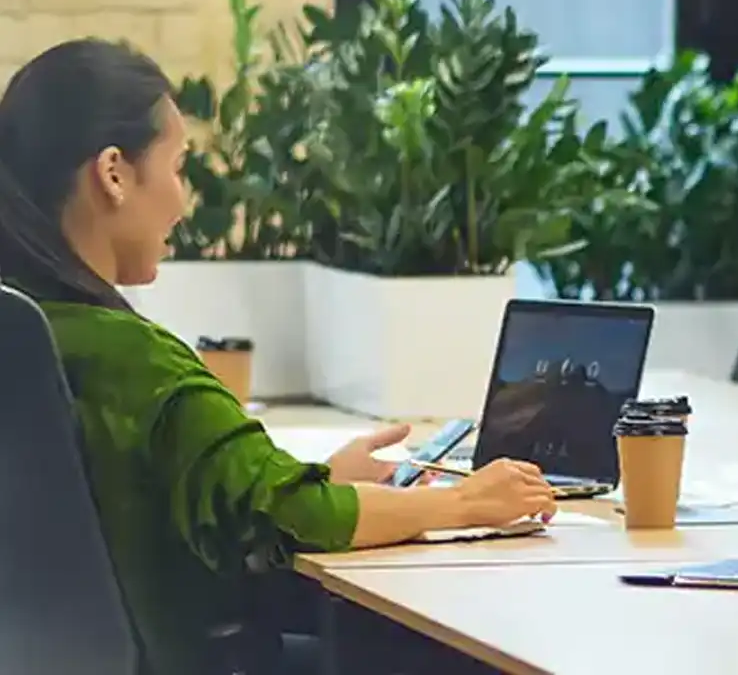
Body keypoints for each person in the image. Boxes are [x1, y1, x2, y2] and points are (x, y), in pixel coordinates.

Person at [0, 39, 559, 675]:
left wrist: (316, 475)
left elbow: (223, 492)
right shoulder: (135, 359)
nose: (184, 202)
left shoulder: (28, 331)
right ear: (114, 173)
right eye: (178, 167)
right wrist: (467, 503)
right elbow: (299, 515)